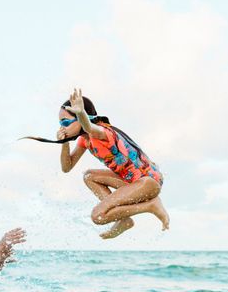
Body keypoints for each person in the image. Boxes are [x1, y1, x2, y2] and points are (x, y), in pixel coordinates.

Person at [22, 89, 169, 239]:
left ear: (83, 117)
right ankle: (123, 218)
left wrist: (80, 113)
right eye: (60, 123)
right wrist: (64, 142)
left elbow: (89, 127)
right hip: (132, 182)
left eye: (66, 122)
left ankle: (151, 205)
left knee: (98, 216)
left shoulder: (102, 131)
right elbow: (67, 167)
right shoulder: (85, 140)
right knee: (89, 176)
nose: (62, 127)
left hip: (148, 183)